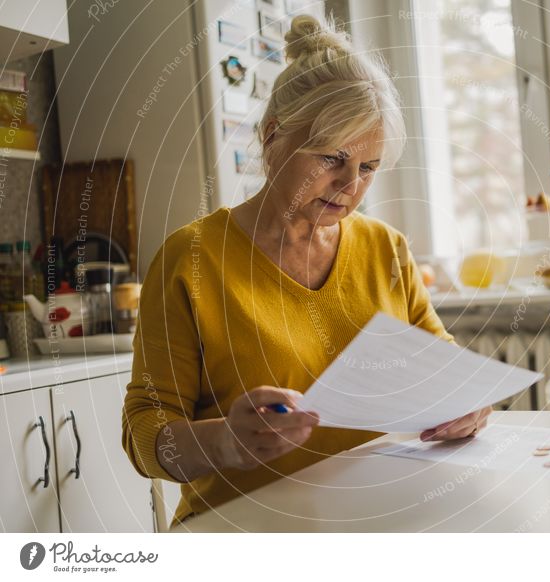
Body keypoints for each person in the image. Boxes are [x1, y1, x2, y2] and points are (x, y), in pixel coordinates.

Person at [122, 15, 490, 526]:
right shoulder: (192, 259)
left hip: (368, 523)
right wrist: (226, 442)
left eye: (368, 167)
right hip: (237, 532)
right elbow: (145, 434)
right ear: (273, 136)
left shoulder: (386, 249)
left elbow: (442, 368)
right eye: (331, 158)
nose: (350, 186)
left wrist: (467, 404)